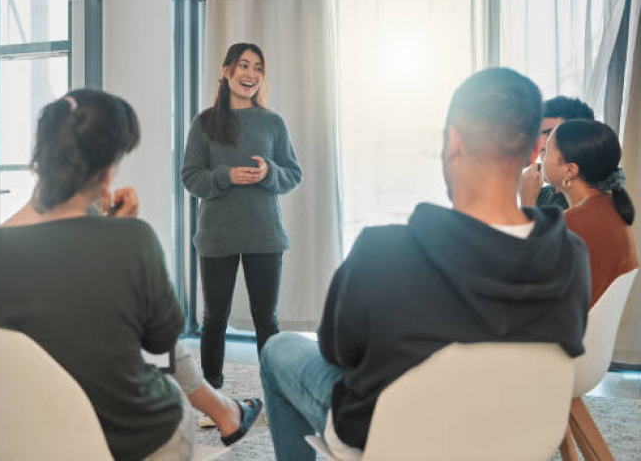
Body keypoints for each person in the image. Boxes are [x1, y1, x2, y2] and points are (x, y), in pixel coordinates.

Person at [259, 68, 591, 460]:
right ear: (536, 152)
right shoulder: (571, 256)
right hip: (512, 438)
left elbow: (337, 352)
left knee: (278, 348)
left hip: (390, 440)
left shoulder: (382, 252)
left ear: (453, 142)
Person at [0, 90, 261, 461]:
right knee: (171, 389)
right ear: (107, 171)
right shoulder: (132, 240)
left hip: (20, 440)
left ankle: (225, 410)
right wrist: (122, 241)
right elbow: (159, 344)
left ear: (40, 157)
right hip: (129, 442)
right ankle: (225, 411)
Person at [181, 42, 302, 389]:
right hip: (217, 236)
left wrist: (269, 173)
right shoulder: (204, 123)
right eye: (244, 66)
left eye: (258, 68)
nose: (251, 74)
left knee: (267, 320)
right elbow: (191, 177)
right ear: (227, 70)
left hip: (265, 236)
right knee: (214, 318)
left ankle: (275, 391)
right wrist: (225, 176)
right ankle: (213, 391)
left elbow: (293, 174)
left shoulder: (272, 122)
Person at [542, 119, 639, 307]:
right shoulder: (609, 206)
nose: (541, 156)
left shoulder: (574, 222)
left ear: (570, 170)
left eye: (547, 150)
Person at [519, 95, 595, 209]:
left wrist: (527, 202)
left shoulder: (592, 199)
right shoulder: (540, 194)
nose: (540, 142)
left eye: (550, 133)